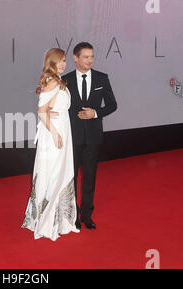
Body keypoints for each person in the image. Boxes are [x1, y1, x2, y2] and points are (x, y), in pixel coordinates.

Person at [21, 48, 80, 241]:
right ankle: (47, 220)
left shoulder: (57, 80)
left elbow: (50, 108)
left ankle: (58, 219)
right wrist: (55, 134)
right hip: (54, 134)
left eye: (64, 60)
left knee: (59, 172)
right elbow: (41, 111)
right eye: (59, 61)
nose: (63, 64)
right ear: (51, 62)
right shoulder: (52, 81)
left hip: (62, 129)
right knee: (53, 172)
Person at [62, 42, 117, 230]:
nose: (90, 60)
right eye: (86, 57)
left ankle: (87, 215)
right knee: (72, 178)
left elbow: (112, 105)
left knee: (90, 178)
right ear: (75, 58)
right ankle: (73, 215)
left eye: (92, 56)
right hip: (72, 137)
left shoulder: (102, 78)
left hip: (93, 137)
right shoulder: (65, 80)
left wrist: (96, 113)